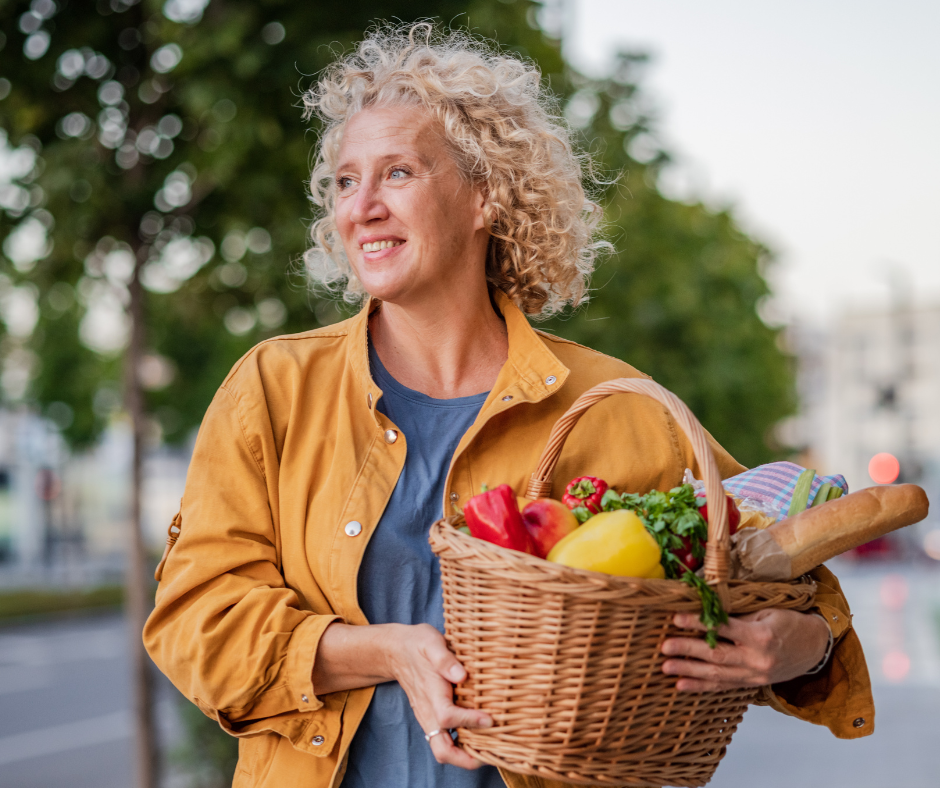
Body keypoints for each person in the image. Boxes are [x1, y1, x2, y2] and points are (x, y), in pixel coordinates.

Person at [144, 24, 874, 788]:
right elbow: (196, 623)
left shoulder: (617, 407)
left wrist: (798, 647)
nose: (360, 207)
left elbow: (783, 573)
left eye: (397, 173)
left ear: (483, 196)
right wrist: (384, 650)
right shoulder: (274, 389)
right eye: (345, 181)